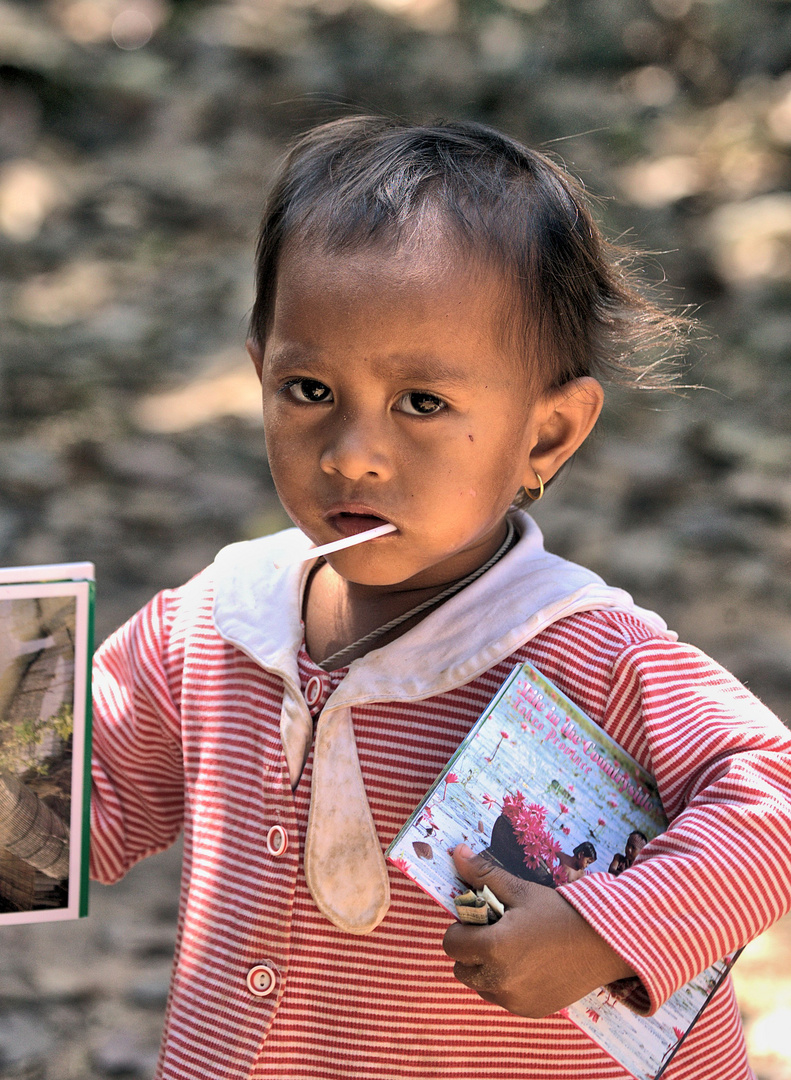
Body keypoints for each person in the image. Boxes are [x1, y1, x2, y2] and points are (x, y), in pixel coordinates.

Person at [89, 116, 791, 1080]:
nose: (350, 453)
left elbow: (773, 799)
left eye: (421, 403)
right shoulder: (213, 628)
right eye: (306, 389)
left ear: (546, 437)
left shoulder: (587, 653)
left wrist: (605, 929)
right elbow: (61, 810)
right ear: (256, 371)